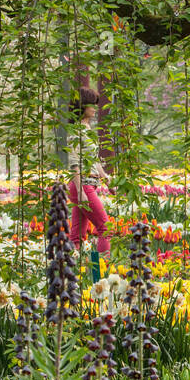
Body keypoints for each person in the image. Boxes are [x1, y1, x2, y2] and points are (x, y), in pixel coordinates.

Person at [66, 87, 111, 283]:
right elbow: (74, 161)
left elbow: (93, 159)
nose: (95, 108)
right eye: (92, 104)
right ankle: (102, 272)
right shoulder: (76, 130)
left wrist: (105, 177)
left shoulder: (86, 128)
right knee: (105, 227)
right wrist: (81, 190)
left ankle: (70, 275)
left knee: (77, 236)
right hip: (82, 185)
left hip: (87, 184)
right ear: (82, 105)